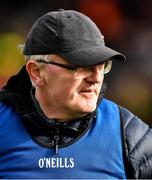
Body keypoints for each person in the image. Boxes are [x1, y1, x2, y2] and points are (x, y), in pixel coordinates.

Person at [0, 9, 151, 179]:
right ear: (36, 72)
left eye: (102, 66)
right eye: (82, 66)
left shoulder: (130, 135)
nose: (96, 78)